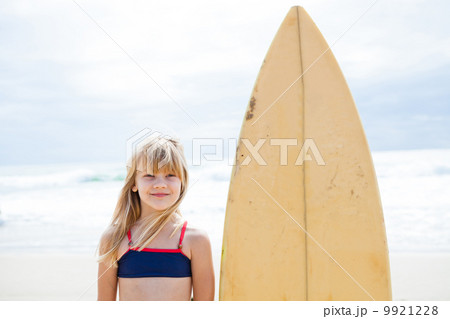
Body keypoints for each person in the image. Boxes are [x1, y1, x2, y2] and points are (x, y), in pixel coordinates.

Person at [96, 134, 214, 300]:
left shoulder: (195, 240)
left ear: (182, 182)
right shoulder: (115, 238)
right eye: (149, 175)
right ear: (134, 184)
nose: (160, 184)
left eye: (170, 175)